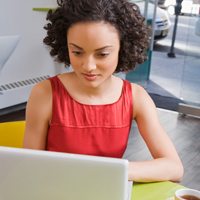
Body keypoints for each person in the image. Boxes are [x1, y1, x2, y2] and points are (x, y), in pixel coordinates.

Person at [23, 0, 184, 182]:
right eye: (77, 52)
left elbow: (173, 166)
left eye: (102, 54)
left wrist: (108, 172)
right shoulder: (44, 94)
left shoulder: (137, 97)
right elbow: (30, 168)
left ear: (122, 48)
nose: (89, 66)